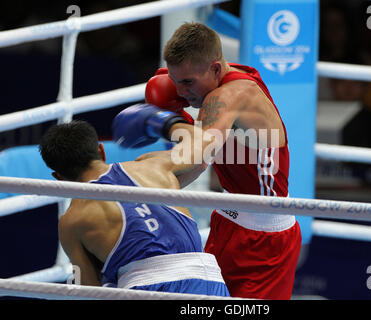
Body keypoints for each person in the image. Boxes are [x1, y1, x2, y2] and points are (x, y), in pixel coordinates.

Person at [120, 22, 302, 299]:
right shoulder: (213, 89)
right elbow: (199, 164)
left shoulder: (229, 96)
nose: (180, 92)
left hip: (264, 239)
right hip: (226, 218)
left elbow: (196, 155)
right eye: (175, 81)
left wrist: (165, 123)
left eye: (187, 82)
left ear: (216, 68)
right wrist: (137, 193)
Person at [39, 119, 229, 297]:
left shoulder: (71, 221)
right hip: (207, 280)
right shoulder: (153, 166)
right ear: (101, 151)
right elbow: (205, 142)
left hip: (143, 290)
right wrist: (164, 121)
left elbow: (89, 289)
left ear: (58, 177)